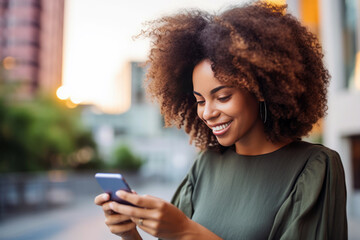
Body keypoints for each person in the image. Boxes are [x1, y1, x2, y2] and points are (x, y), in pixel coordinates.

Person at [94, 2, 348, 239]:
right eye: (200, 101)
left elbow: (186, 233)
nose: (207, 113)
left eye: (223, 97)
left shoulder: (314, 167)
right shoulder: (205, 164)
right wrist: (130, 233)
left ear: (261, 90)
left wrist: (187, 231)